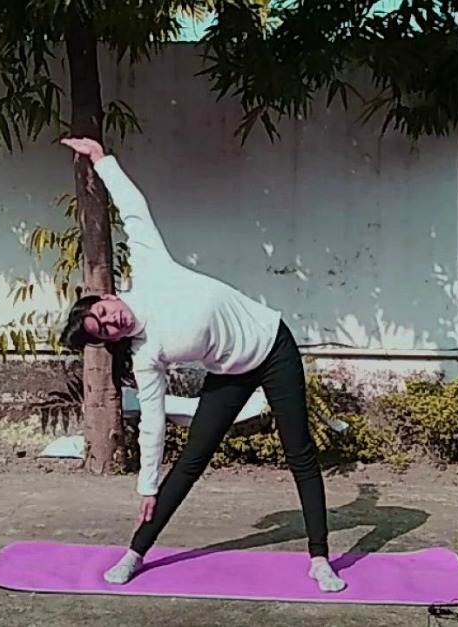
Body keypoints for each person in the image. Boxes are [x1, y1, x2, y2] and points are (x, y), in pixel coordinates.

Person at [56, 137, 346, 593]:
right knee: (191, 459)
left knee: (299, 453)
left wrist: (101, 160)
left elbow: (134, 210)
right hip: (229, 373)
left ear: (108, 297)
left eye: (104, 314)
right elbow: (152, 423)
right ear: (109, 341)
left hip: (274, 347)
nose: (112, 323)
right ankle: (135, 552)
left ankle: (320, 558)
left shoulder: (151, 269)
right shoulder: (145, 354)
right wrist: (146, 486)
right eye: (104, 331)